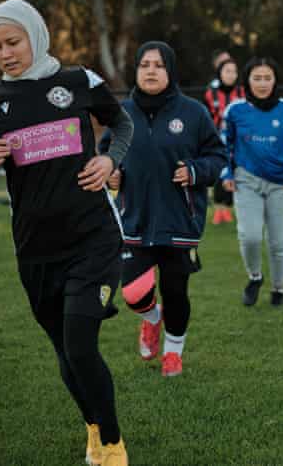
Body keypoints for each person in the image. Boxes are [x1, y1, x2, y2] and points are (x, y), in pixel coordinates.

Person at [0, 0, 132, 465]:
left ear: (35, 36)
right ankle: (93, 429)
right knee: (64, 349)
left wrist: (109, 159)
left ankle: (115, 447)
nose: (5, 53)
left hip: (93, 235)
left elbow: (122, 123)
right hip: (36, 246)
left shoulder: (78, 81)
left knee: (81, 345)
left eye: (13, 42)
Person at [102, 41, 227, 378]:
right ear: (136, 71)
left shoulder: (194, 113)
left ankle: (173, 353)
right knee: (132, 292)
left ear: (170, 71)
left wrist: (195, 172)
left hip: (179, 220)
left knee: (175, 292)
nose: (151, 71)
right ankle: (151, 319)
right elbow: (104, 155)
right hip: (134, 218)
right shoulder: (121, 113)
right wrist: (110, 173)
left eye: (158, 65)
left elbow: (218, 158)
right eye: (145, 65)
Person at [221, 58, 283, 306]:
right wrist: (226, 174)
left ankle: (278, 289)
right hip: (246, 181)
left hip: (281, 184)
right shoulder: (234, 111)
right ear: (247, 81)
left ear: (275, 80)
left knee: (278, 243)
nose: (262, 83)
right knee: (249, 236)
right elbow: (223, 146)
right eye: (257, 78)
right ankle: (255, 277)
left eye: (267, 78)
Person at [203, 56, 245, 224]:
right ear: (220, 73)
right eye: (227, 71)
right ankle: (218, 209)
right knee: (220, 174)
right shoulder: (210, 93)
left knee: (234, 173)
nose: (231, 75)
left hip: (238, 141)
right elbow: (204, 117)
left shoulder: (243, 93)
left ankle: (228, 208)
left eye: (234, 71)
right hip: (216, 141)